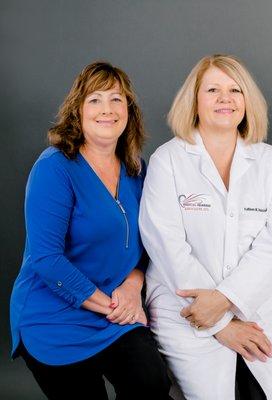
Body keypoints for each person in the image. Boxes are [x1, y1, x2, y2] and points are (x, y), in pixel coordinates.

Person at [9, 62, 171, 399]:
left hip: (112, 309)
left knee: (152, 384)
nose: (107, 110)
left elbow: (148, 242)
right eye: (95, 100)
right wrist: (113, 306)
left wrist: (132, 285)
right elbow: (45, 258)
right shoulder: (55, 167)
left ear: (129, 110)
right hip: (53, 315)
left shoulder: (138, 169)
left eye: (116, 99)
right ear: (77, 111)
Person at [139, 54, 272, 400]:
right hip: (185, 310)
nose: (226, 99)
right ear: (194, 100)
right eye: (213, 90)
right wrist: (219, 323)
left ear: (247, 101)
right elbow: (167, 246)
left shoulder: (271, 162)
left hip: (258, 310)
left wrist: (226, 301)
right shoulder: (169, 161)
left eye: (235, 90)